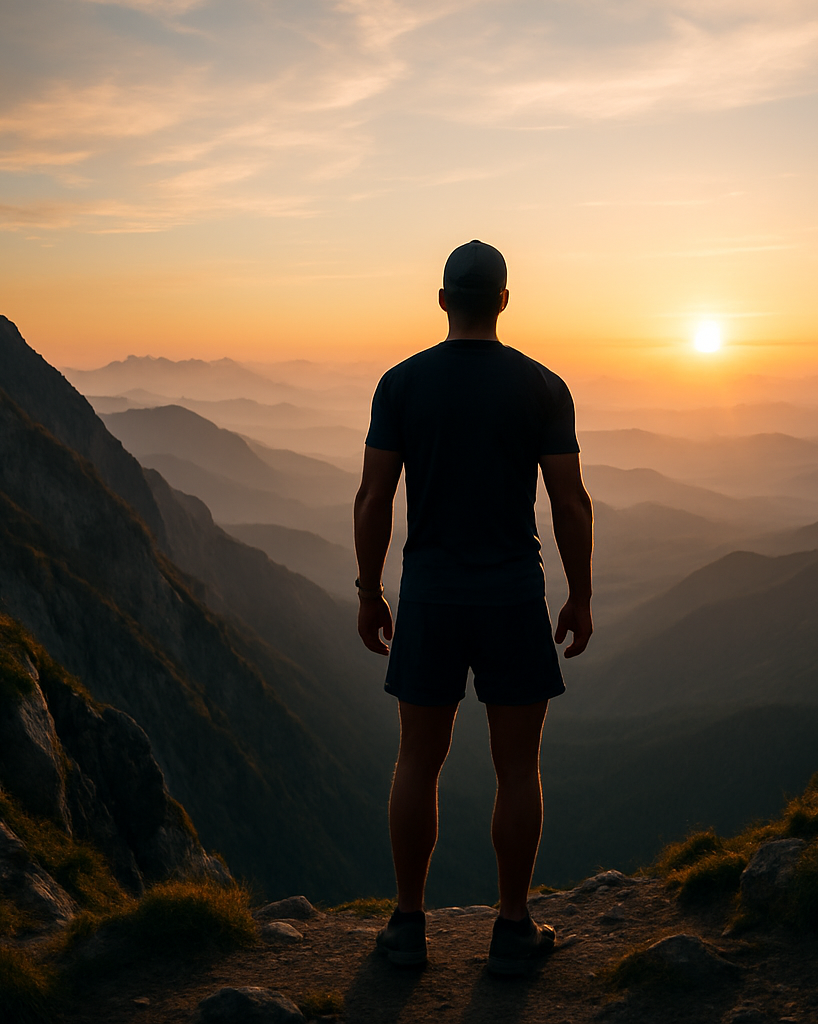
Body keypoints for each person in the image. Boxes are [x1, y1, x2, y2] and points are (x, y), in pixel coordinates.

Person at [354, 239, 593, 975]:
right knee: (518, 767)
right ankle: (513, 929)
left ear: (442, 300)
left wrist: (370, 591)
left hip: (428, 594)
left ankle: (406, 928)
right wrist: (580, 592)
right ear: (505, 302)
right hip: (512, 594)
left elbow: (374, 497)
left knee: (416, 761)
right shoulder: (543, 387)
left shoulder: (400, 385)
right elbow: (568, 501)